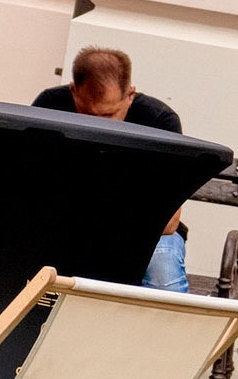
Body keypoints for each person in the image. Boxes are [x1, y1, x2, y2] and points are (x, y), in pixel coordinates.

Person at [31, 46, 192, 293]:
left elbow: (169, 222)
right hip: (67, 231)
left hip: (146, 236)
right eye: (86, 114)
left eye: (108, 115)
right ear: (73, 91)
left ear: (130, 95)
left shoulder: (160, 122)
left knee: (163, 277)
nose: (98, 126)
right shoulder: (50, 106)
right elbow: (29, 187)